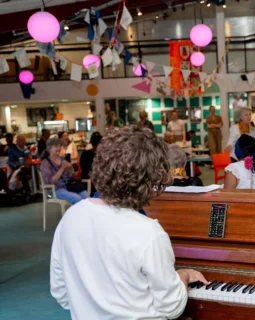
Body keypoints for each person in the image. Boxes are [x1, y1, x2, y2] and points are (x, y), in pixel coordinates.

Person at [50, 127, 208, 319]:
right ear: (149, 179)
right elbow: (172, 307)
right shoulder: (148, 231)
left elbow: (61, 293)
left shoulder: (70, 217)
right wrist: (183, 275)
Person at [40, 138, 89, 204]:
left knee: (87, 197)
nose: (59, 148)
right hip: (56, 190)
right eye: (56, 146)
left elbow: (73, 178)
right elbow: (50, 181)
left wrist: (71, 168)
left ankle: (86, 214)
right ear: (49, 148)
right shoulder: (45, 163)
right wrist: (62, 168)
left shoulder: (63, 159)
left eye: (60, 146)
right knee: (77, 198)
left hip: (69, 187)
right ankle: (74, 214)